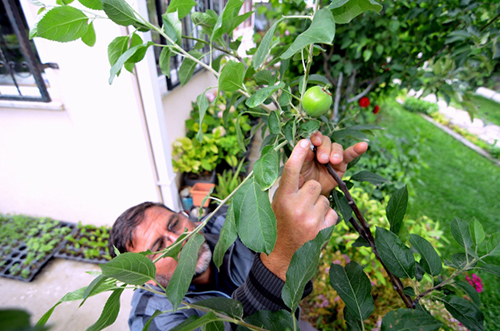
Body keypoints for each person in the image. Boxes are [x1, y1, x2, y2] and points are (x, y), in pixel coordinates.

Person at [108, 131, 368, 330]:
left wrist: (312, 188)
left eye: (174, 224)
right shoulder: (151, 317)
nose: (180, 240)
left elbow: (293, 237)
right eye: (159, 246)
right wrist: (278, 263)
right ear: (145, 278)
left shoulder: (232, 222)